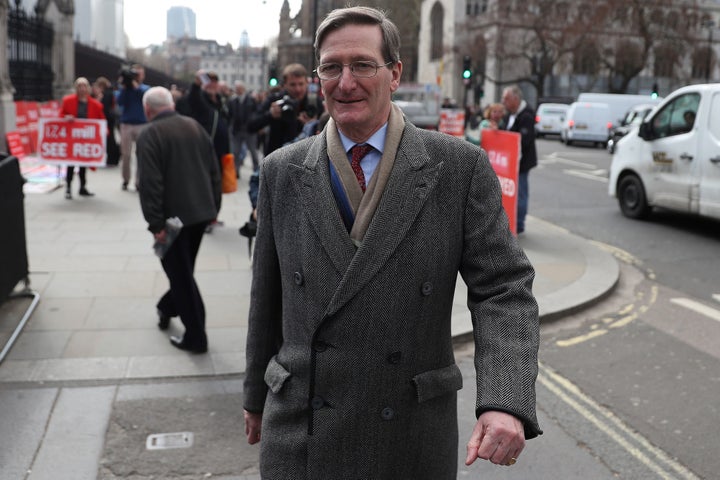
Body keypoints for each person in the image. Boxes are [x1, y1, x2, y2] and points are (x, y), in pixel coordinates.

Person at [242, 6, 541, 479]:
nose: (345, 83)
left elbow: (503, 288)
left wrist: (505, 400)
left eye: (362, 65)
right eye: (331, 68)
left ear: (395, 73)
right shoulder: (281, 169)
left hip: (409, 432)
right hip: (300, 430)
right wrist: (255, 397)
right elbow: (268, 298)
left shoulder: (458, 168)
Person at [136, 86, 221, 354]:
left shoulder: (150, 133)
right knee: (183, 272)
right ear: (171, 104)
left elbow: (150, 184)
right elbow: (213, 171)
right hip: (200, 214)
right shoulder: (194, 126)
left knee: (182, 277)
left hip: (172, 220)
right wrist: (214, 207)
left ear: (147, 110)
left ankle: (196, 337)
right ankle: (166, 307)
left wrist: (156, 224)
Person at [185, 70, 231, 232]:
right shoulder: (200, 99)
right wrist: (197, 84)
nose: (212, 84)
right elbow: (193, 98)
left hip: (220, 151)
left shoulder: (220, 101)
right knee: (205, 186)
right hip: (204, 150)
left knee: (217, 185)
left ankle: (212, 217)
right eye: (208, 81)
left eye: (215, 81)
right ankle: (203, 218)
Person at [247, 63, 324, 155]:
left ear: (307, 83)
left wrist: (313, 124)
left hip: (307, 158)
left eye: (301, 84)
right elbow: (251, 125)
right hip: (277, 158)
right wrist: (270, 114)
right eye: (292, 85)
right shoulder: (275, 100)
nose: (298, 89)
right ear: (284, 85)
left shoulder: (314, 102)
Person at [60, 77, 105, 199]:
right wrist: (66, 117)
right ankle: (68, 187)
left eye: (84, 86)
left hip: (86, 140)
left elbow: (101, 121)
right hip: (72, 139)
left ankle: (82, 187)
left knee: (83, 165)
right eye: (79, 86)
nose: (82, 88)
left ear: (88, 88)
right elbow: (61, 115)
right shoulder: (68, 101)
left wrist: (104, 132)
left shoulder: (96, 105)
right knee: (71, 164)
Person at [502, 85, 537, 234]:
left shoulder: (526, 116)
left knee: (521, 192)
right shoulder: (511, 114)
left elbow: (524, 140)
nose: (503, 102)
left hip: (521, 163)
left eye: (506, 99)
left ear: (516, 99)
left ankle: (520, 224)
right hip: (511, 163)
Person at [117, 63, 150, 191]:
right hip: (126, 124)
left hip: (142, 124)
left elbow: (146, 99)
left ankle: (139, 181)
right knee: (126, 154)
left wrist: (136, 87)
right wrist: (125, 87)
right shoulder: (125, 88)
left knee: (141, 154)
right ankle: (125, 179)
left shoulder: (145, 88)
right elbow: (120, 102)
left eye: (139, 73)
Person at [228, 81, 260, 174]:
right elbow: (230, 115)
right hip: (237, 130)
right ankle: (236, 171)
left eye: (239, 89)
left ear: (243, 89)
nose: (238, 91)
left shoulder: (251, 100)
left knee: (253, 152)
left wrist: (255, 124)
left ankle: (256, 170)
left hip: (249, 130)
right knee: (236, 152)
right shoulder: (232, 101)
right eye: (236, 89)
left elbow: (256, 112)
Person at [93, 76, 120, 166]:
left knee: (109, 139)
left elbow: (104, 107)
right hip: (109, 118)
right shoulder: (110, 92)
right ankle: (113, 157)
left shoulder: (106, 94)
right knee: (110, 138)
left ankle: (112, 158)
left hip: (107, 119)